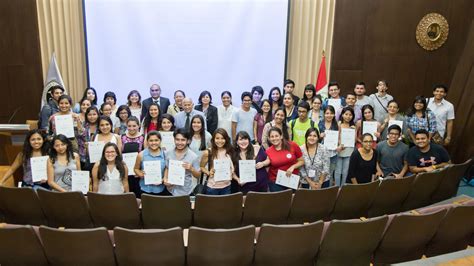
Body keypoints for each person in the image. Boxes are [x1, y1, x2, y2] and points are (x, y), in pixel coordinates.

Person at [259, 127, 304, 192]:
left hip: (291, 179)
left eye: (276, 136)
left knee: (292, 200)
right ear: (269, 138)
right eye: (272, 137)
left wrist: (293, 167)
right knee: (278, 201)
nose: (274, 138)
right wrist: (262, 163)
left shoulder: (292, 145)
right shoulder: (268, 151)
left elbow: (302, 161)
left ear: (281, 136)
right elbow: (268, 161)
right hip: (275, 181)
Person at [163, 128, 201, 196]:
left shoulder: (193, 156)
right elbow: (167, 167)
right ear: (174, 139)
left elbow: (198, 175)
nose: (180, 143)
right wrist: (165, 178)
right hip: (170, 190)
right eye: (177, 139)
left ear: (188, 141)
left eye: (183, 140)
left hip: (185, 192)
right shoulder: (168, 153)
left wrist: (191, 169)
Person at [200, 128, 236, 195]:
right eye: (217, 138)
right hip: (212, 188)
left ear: (226, 139)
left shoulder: (230, 151)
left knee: (225, 205)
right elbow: (201, 167)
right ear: (213, 139)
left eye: (222, 138)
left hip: (227, 186)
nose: (220, 141)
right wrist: (208, 172)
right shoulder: (208, 152)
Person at [134, 131, 170, 196]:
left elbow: (167, 169)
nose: (153, 143)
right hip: (145, 189)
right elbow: (136, 169)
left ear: (160, 141)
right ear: (147, 141)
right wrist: (140, 174)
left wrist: (163, 179)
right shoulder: (141, 155)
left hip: (161, 189)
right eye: (151, 140)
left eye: (156, 140)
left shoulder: (165, 154)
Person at [121, 116, 144, 197]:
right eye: (129, 126)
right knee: (127, 193)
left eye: (134, 126)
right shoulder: (122, 137)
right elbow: (120, 153)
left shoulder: (143, 137)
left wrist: (140, 170)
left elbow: (144, 155)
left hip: (138, 171)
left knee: (138, 194)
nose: (131, 128)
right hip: (126, 170)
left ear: (138, 126)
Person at [334, 106, 356, 186]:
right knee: (338, 171)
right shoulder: (339, 124)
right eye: (346, 114)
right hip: (340, 150)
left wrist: (353, 130)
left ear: (352, 116)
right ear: (342, 115)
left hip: (349, 151)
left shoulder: (353, 126)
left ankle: (342, 188)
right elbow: (337, 136)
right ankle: (336, 187)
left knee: (345, 171)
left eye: (350, 115)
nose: (348, 116)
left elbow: (355, 141)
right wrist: (340, 144)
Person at [318, 106, 339, 185]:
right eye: (327, 113)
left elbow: (339, 138)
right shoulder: (320, 123)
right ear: (324, 114)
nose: (329, 115)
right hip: (321, 153)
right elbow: (315, 138)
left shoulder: (337, 124)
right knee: (320, 173)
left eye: (331, 113)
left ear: (334, 115)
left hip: (333, 154)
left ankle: (329, 190)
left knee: (330, 173)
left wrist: (339, 146)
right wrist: (320, 136)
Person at [76, 106, 100, 172]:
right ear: (86, 116)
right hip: (83, 157)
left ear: (98, 115)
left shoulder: (101, 126)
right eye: (89, 115)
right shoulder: (83, 124)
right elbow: (79, 137)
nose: (92, 117)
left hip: (98, 157)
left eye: (94, 114)